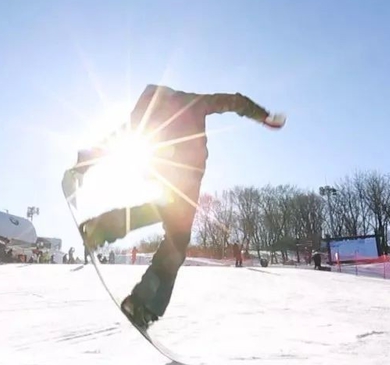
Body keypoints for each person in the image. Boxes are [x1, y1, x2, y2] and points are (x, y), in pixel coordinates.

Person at [73, 84, 285, 329]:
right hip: (184, 178)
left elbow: (118, 139)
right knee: (176, 238)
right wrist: (263, 116)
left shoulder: (162, 111)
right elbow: (233, 101)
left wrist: (85, 160)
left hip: (168, 175)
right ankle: (142, 302)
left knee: (161, 216)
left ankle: (100, 232)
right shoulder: (192, 102)